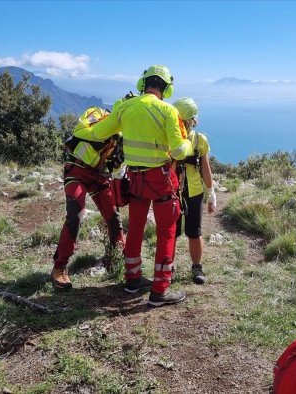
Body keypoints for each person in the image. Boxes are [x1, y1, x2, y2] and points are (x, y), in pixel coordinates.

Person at [88, 64, 193, 307]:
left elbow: (98, 133)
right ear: (166, 88)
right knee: (166, 231)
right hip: (162, 179)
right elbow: (178, 150)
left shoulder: (125, 107)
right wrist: (188, 144)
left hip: (135, 179)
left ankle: (132, 279)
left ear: (142, 84)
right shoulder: (168, 111)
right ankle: (160, 290)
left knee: (135, 227)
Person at [51, 105, 125, 289]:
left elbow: (116, 168)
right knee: (75, 214)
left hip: (99, 176)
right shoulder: (98, 113)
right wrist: (110, 127)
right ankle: (59, 267)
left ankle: (119, 257)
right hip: (77, 170)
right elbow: (81, 131)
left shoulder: (123, 136)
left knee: (113, 217)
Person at [172, 97, 216, 284]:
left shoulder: (197, 141)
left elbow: (205, 169)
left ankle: (176, 267)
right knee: (181, 232)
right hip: (181, 191)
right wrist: (211, 193)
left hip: (181, 191)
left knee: (186, 232)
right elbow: (206, 170)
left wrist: (211, 192)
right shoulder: (197, 140)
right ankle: (177, 267)